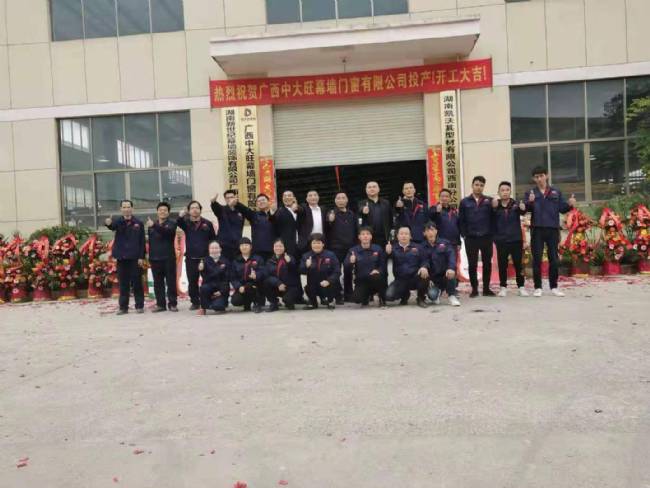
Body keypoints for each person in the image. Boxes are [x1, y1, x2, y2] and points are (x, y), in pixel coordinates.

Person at [524, 166, 576, 297]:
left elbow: (562, 209)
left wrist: (570, 204)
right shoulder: (530, 192)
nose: (539, 179)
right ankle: (538, 287)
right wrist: (530, 202)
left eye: (541, 176)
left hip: (552, 229)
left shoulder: (555, 192)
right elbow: (526, 209)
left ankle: (554, 287)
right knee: (537, 259)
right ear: (533, 179)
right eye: (536, 177)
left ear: (546, 176)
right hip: (537, 229)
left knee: (554, 259)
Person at [105, 200, 146, 315]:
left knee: (137, 283)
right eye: (124, 207)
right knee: (123, 283)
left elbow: (142, 241)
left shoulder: (138, 223)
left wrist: (141, 257)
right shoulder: (118, 221)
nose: (126, 209)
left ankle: (139, 306)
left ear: (132, 208)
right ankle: (123, 307)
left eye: (128, 207)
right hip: (122, 257)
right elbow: (112, 226)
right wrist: (108, 223)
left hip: (135, 257)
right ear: (121, 209)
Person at [459, 176, 495, 298]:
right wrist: (464, 235)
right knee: (472, 264)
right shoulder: (464, 202)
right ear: (472, 185)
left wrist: (491, 234)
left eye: (481, 185)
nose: (479, 187)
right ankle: (474, 289)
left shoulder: (489, 201)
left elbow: (493, 218)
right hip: (471, 238)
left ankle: (486, 289)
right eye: (476, 184)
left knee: (487, 264)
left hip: (486, 237)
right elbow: (461, 220)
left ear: (483, 187)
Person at [177, 200, 216, 310]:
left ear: (200, 210)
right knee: (192, 282)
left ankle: (208, 300)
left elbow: (213, 239)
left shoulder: (207, 223)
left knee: (208, 280)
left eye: (197, 208)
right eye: (192, 208)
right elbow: (178, 222)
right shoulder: (186, 223)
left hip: (205, 258)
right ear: (189, 211)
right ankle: (195, 302)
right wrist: (181, 215)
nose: (195, 210)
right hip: (191, 258)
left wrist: (212, 255)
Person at [492, 181, 528, 297]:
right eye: (502, 190)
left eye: (507, 190)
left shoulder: (516, 204)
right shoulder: (495, 206)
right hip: (501, 240)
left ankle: (521, 287)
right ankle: (503, 287)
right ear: (498, 192)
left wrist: (523, 208)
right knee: (502, 265)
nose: (505, 192)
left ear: (510, 191)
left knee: (518, 264)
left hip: (515, 239)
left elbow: (523, 211)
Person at [325, 191, 358, 304]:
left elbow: (356, 230)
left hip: (350, 248)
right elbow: (327, 226)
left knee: (348, 270)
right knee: (336, 271)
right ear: (335, 201)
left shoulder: (352, 214)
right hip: (335, 248)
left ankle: (349, 294)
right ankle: (337, 294)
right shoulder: (331, 213)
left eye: (343, 198)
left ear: (347, 200)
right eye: (338, 198)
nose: (341, 200)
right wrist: (329, 220)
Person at [145, 202, 178, 313]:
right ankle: (160, 304)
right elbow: (151, 242)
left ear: (168, 212)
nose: (162, 212)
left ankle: (172, 304)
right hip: (155, 259)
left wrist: (154, 226)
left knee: (171, 282)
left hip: (168, 258)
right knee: (158, 283)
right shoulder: (152, 224)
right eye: (160, 210)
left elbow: (167, 233)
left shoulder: (172, 223)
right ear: (157, 212)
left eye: (165, 210)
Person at [384, 226, 428, 307]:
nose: (404, 236)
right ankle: (405, 295)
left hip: (415, 278)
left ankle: (421, 298)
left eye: (406, 234)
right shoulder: (393, 248)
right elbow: (384, 260)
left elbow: (425, 260)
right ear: (397, 236)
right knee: (388, 296)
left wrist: (424, 267)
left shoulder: (418, 247)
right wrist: (387, 253)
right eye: (401, 234)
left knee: (424, 275)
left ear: (410, 236)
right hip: (400, 280)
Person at [345, 226, 387, 307]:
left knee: (377, 277)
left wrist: (378, 270)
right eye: (363, 234)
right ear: (359, 237)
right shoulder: (353, 251)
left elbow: (383, 265)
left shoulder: (378, 249)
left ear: (371, 237)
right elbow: (346, 268)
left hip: (375, 278)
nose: (365, 236)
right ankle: (367, 296)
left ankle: (382, 297)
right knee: (357, 299)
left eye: (368, 234)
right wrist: (350, 262)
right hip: (362, 281)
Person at [421, 222, 461, 307]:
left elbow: (451, 257)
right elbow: (424, 260)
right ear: (424, 233)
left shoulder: (445, 243)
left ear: (436, 231)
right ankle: (437, 292)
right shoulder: (422, 247)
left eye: (432, 230)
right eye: (428, 230)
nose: (430, 232)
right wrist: (426, 275)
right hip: (433, 279)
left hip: (445, 275)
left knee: (451, 272)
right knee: (432, 296)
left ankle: (452, 295)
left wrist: (451, 268)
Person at [300, 233, 340, 310]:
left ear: (323, 244)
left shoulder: (331, 255)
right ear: (311, 245)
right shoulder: (306, 256)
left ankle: (330, 301)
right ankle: (313, 303)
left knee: (333, 284)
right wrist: (306, 266)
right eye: (314, 243)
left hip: (327, 283)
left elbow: (337, 271)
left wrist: (329, 281)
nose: (316, 245)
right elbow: (301, 271)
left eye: (318, 243)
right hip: (313, 284)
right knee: (308, 287)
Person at [235, 193, 276, 261]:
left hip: (273, 251)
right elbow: (245, 210)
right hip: (258, 251)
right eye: (259, 201)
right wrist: (237, 203)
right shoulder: (254, 215)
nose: (261, 202)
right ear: (257, 204)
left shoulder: (276, 214)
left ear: (268, 202)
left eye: (263, 200)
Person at [262, 239, 301, 312]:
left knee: (287, 300)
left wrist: (289, 262)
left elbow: (295, 271)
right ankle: (274, 303)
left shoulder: (290, 257)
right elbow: (267, 276)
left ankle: (289, 301)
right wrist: (278, 283)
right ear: (273, 248)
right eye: (276, 246)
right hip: (277, 286)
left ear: (284, 248)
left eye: (280, 246)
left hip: (290, 287)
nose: (278, 248)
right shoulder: (270, 261)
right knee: (266, 282)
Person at [230, 237, 265, 313]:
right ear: (239, 247)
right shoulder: (235, 261)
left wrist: (256, 275)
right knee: (235, 301)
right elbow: (233, 277)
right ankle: (247, 304)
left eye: (246, 245)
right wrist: (238, 286)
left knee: (252, 287)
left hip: (255, 285)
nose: (244, 247)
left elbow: (263, 271)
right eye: (242, 245)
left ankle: (257, 303)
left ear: (251, 247)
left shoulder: (258, 258)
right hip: (242, 287)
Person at [197, 240, 231, 315]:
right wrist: (200, 269)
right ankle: (203, 307)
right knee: (203, 288)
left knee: (218, 306)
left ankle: (217, 303)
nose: (214, 250)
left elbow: (227, 279)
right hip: (209, 286)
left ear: (220, 249)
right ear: (209, 249)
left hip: (221, 287)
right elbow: (205, 278)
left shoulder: (225, 261)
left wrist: (221, 291)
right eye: (212, 248)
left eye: (216, 248)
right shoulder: (204, 261)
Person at [210, 190, 245, 261]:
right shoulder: (221, 210)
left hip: (237, 245)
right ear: (225, 199)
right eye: (227, 198)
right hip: (223, 245)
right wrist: (213, 201)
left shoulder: (241, 211)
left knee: (236, 265)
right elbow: (215, 207)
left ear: (235, 197)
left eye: (231, 197)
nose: (230, 199)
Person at [359, 181, 393, 247]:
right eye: (369, 187)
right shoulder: (361, 203)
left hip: (385, 237)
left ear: (378, 189)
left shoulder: (386, 203)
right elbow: (359, 212)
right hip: (369, 238)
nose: (372, 189)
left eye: (374, 187)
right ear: (366, 190)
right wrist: (362, 210)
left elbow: (391, 219)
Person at [274, 190, 303, 258]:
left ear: (294, 198)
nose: (287, 197)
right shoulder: (279, 211)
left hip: (302, 245)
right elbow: (273, 223)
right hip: (288, 246)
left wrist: (297, 207)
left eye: (289, 195)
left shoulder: (301, 210)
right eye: (285, 196)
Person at [299, 190, 327, 254]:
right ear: (306, 199)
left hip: (321, 241)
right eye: (310, 195)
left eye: (315, 195)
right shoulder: (304, 209)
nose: (313, 197)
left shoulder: (323, 209)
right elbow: (299, 209)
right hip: (308, 242)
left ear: (318, 197)